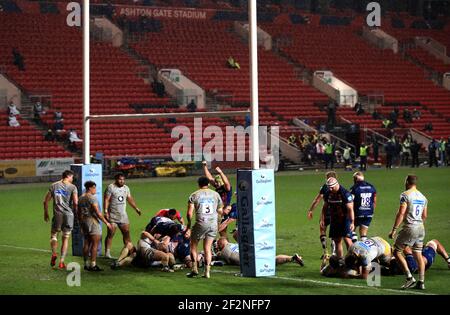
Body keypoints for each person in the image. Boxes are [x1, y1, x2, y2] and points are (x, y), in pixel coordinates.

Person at [389, 175, 428, 290]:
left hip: (410, 228)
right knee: (418, 254)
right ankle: (421, 282)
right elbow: (424, 215)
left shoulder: (405, 195)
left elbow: (401, 213)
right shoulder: (423, 197)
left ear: (407, 182)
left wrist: (394, 229)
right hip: (421, 227)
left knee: (396, 251)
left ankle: (409, 278)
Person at [185, 176, 223, 278]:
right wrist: (218, 219)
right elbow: (220, 211)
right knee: (207, 248)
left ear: (198, 184)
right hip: (212, 224)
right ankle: (207, 272)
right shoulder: (216, 194)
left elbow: (189, 214)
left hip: (201, 223)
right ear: (208, 184)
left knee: (193, 246)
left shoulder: (194, 195)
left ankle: (194, 269)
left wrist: (188, 225)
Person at [43, 170, 78, 269]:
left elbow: (45, 201)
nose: (72, 179)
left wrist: (46, 213)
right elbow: (75, 202)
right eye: (72, 177)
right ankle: (62, 261)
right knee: (66, 237)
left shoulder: (54, 185)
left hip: (58, 214)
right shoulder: (73, 187)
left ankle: (54, 253)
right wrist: (76, 213)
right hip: (68, 215)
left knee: (54, 235)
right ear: (68, 176)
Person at [104, 173, 142, 258]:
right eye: (120, 179)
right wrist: (106, 211)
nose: (122, 181)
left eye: (123, 179)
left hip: (123, 215)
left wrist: (136, 208)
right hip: (113, 215)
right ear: (116, 179)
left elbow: (129, 199)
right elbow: (106, 199)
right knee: (111, 234)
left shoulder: (126, 188)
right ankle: (107, 253)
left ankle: (128, 251)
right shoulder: (111, 187)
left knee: (126, 234)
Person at [78, 181, 112, 271]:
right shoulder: (92, 198)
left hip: (84, 221)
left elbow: (79, 213)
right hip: (92, 222)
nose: (95, 190)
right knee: (95, 244)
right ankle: (93, 265)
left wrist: (81, 224)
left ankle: (85, 264)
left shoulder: (80, 198)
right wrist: (106, 223)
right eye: (94, 188)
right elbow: (97, 213)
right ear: (90, 188)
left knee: (86, 242)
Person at [320, 177, 354, 261]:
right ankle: (340, 260)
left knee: (347, 239)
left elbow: (350, 209)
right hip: (334, 219)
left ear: (337, 184)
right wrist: (322, 219)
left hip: (345, 219)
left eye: (332, 187)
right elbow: (324, 207)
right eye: (329, 187)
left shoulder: (345, 193)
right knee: (337, 241)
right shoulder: (328, 193)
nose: (330, 189)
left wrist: (352, 222)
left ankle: (352, 260)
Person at [307, 171, 338, 260]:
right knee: (334, 233)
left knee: (322, 230)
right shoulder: (338, 187)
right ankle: (334, 253)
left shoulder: (324, 187)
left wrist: (311, 210)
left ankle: (325, 253)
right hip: (335, 212)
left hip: (326, 212)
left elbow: (317, 200)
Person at [214, 237, 304, 267]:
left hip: (249, 259)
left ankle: (292, 259)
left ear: (221, 245)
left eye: (218, 245)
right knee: (272, 259)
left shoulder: (224, 252)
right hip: (253, 250)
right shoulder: (231, 244)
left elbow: (223, 261)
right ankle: (292, 258)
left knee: (272, 261)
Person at [349, 172, 376, 241]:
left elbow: (350, 201)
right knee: (363, 234)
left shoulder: (354, 188)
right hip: (369, 213)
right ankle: (364, 249)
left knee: (351, 230)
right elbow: (374, 201)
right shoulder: (372, 187)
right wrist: (371, 211)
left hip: (357, 213)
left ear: (355, 179)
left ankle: (355, 246)